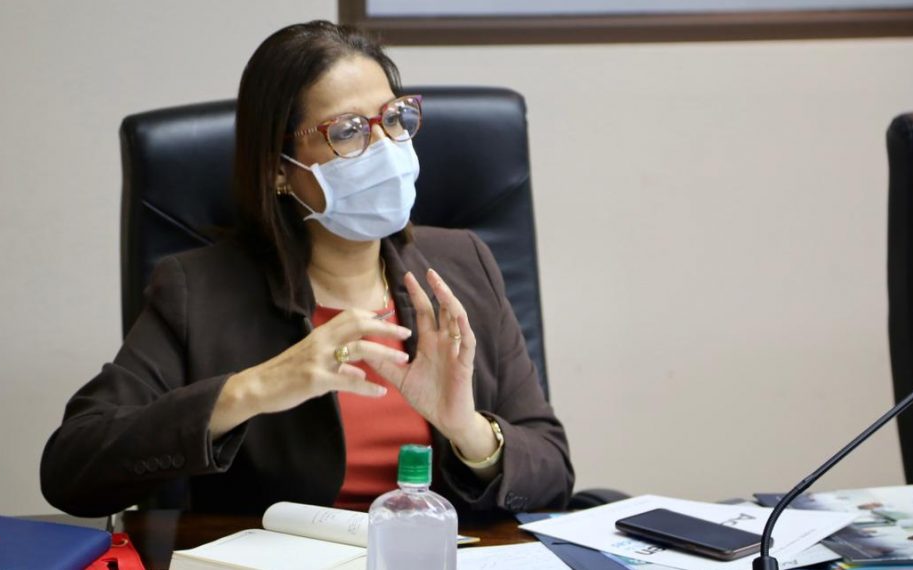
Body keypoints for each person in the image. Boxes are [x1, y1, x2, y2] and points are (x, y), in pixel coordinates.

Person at [40, 20, 573, 517]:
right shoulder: (198, 290)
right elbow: (71, 468)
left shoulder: (463, 264)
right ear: (279, 169)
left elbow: (553, 472)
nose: (385, 148)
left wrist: (468, 431)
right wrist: (252, 390)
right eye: (348, 131)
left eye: (393, 119)